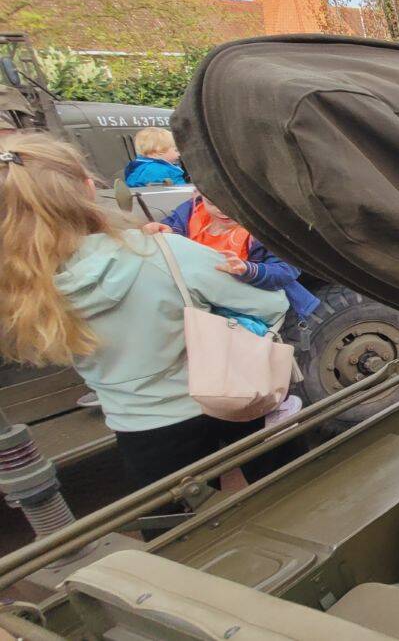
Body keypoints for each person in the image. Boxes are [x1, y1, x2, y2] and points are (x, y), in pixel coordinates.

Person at [0, 133, 291, 496]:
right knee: (285, 490)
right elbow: (271, 305)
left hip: (140, 428)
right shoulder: (161, 253)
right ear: (89, 189)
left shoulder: (19, 288)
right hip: (227, 394)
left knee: (180, 527)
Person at [145, 194, 322, 323]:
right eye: (213, 203)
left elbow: (286, 270)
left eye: (232, 204)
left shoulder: (266, 226)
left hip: (249, 308)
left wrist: (248, 270)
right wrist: (168, 232)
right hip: (201, 300)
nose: (223, 211)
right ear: (198, 195)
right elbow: (175, 224)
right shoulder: (191, 211)